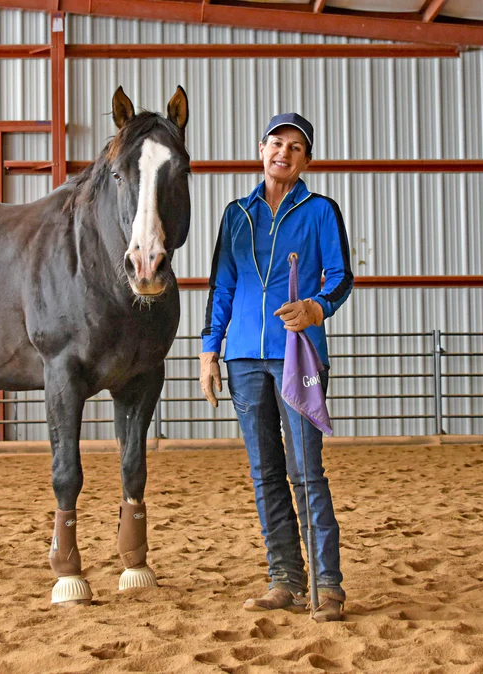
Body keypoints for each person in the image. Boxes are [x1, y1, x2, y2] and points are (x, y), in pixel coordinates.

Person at [199, 113, 353, 622]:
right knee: (265, 474)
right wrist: (208, 350)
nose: (283, 153)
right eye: (275, 143)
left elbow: (341, 276)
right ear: (260, 150)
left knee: (305, 470)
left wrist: (316, 308)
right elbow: (222, 285)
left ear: (306, 159)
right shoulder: (235, 214)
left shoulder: (321, 211)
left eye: (294, 147)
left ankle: (328, 585)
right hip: (243, 356)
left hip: (298, 354)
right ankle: (284, 577)